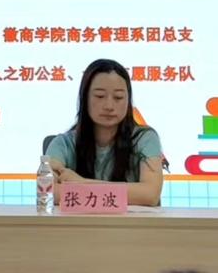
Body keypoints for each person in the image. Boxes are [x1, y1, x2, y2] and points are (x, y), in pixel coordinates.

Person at [46, 58, 164, 206]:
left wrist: (81, 183)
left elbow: (150, 195)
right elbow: (49, 192)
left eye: (118, 97)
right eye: (100, 96)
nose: (109, 106)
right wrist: (127, 193)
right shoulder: (63, 144)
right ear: (85, 98)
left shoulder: (144, 139)